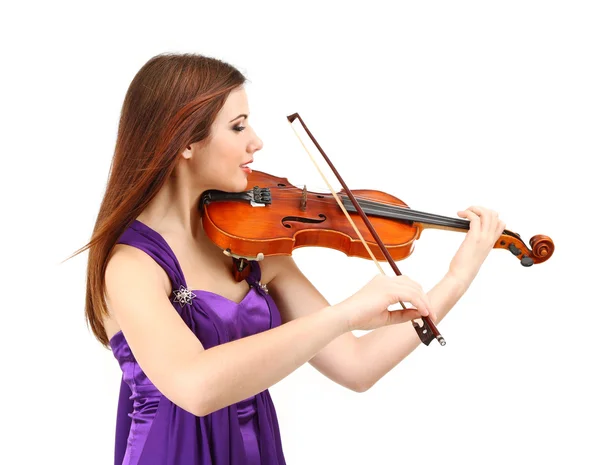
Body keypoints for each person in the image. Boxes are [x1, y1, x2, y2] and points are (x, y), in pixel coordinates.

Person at [72, 52, 505, 465]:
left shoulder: (250, 244)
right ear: (185, 142)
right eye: (238, 127)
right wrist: (345, 314)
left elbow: (356, 366)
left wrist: (456, 279)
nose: (256, 142)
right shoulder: (131, 265)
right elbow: (196, 386)